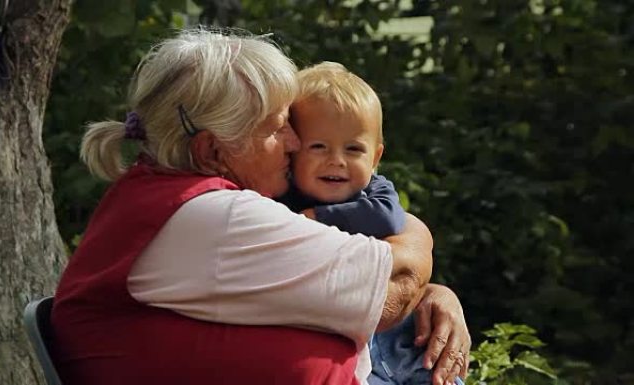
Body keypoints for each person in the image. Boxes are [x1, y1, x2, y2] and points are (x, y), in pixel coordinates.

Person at [51, 28, 470, 385]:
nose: (293, 142)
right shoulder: (216, 218)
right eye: (276, 126)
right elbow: (389, 292)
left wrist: (433, 290)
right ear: (212, 149)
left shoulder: (162, 198)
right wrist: (417, 236)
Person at [279, 62, 465, 385]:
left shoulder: (374, 190)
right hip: (354, 355)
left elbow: (386, 216)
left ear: (376, 157)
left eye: (353, 149)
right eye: (318, 146)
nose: (336, 160)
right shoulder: (280, 199)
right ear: (292, 151)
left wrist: (313, 219)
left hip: (404, 342)